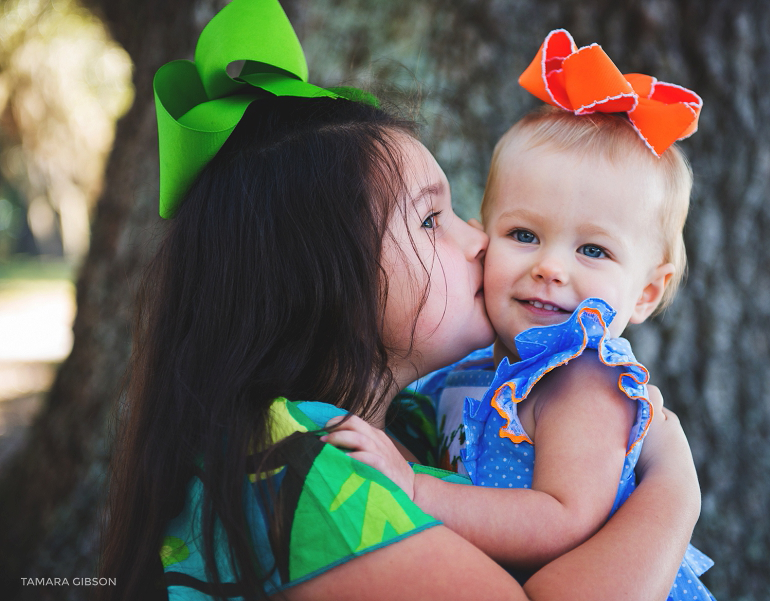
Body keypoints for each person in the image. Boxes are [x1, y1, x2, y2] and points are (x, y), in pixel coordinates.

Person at [99, 5, 702, 600]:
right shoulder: (311, 469)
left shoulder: (415, 420)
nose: (480, 242)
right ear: (328, 280)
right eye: (432, 220)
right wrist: (675, 486)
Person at [326, 30, 716, 600]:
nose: (551, 268)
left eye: (593, 250)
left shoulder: (586, 380)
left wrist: (415, 489)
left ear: (645, 294)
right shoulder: (475, 371)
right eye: (524, 234)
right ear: (487, 234)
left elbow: (561, 520)